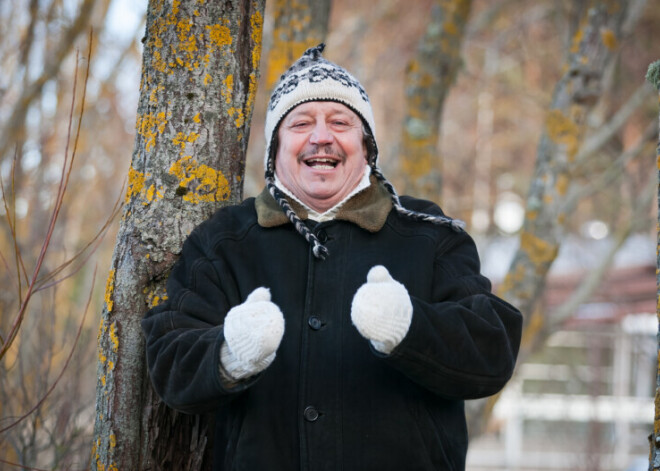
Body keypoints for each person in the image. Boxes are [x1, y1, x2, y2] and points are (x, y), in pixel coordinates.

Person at [142, 43, 522, 471]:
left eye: (340, 121)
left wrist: (411, 327)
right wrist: (230, 352)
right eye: (301, 122)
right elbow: (168, 360)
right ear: (275, 149)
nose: (321, 137)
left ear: (366, 145)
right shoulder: (225, 241)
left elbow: (493, 350)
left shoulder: (429, 235)